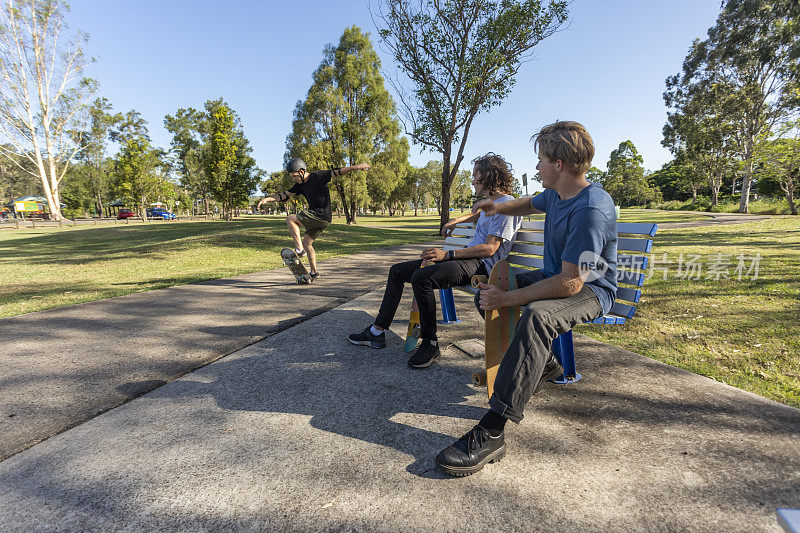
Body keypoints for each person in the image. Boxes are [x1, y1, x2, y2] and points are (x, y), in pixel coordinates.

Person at [434, 121, 618, 477]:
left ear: (559, 164)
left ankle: (492, 430)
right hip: (559, 277)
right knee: (487, 290)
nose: (536, 167)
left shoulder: (590, 210)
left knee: (537, 316)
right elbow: (527, 205)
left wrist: (510, 298)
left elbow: (570, 284)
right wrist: (494, 208)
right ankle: (545, 363)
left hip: (593, 289)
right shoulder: (557, 194)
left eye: (541, 160)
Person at [348, 153, 523, 368]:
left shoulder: (508, 205)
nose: (472, 179)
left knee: (422, 278)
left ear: (487, 175)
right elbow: (477, 216)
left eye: (475, 174)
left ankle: (430, 343)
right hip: (469, 260)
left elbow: (490, 248)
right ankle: (377, 331)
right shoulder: (492, 204)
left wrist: (447, 254)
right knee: (397, 271)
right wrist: (456, 221)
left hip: (484, 266)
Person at [258, 158, 370, 279]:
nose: (294, 179)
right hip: (324, 220)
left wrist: (358, 167)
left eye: (295, 176)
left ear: (302, 171)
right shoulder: (299, 186)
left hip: (320, 214)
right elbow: (284, 196)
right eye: (292, 177)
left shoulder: (318, 176)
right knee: (307, 243)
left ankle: (299, 250)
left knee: (290, 219)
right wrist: (267, 199)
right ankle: (314, 272)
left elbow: (338, 171)